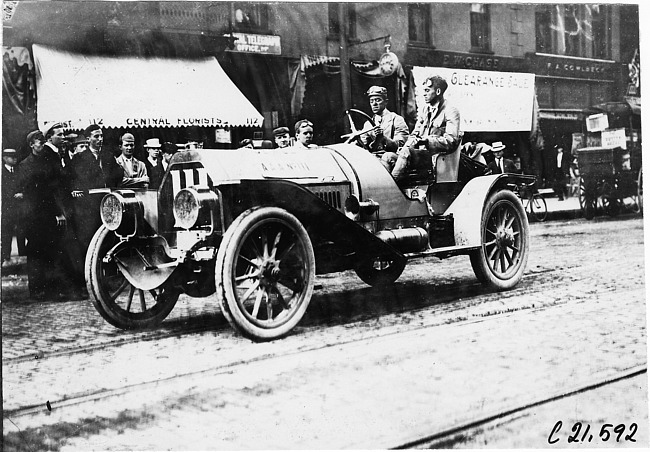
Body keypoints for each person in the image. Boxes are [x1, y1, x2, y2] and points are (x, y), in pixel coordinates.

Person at [14, 130, 69, 300]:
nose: (42, 144)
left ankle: (52, 289)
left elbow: (54, 189)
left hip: (49, 214)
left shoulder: (49, 162)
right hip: (32, 216)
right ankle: (37, 290)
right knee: (35, 252)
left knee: (52, 250)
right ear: (32, 145)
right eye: (39, 141)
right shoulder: (24, 165)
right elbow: (25, 191)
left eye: (43, 140)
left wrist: (59, 213)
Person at [386, 75, 461, 181]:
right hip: (420, 155)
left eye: (427, 90)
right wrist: (405, 146)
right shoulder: (425, 110)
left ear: (438, 91)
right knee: (387, 156)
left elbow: (451, 141)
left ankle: (391, 188)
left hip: (436, 159)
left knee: (406, 153)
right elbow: (414, 134)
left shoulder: (450, 111)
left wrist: (427, 141)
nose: (424, 94)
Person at [69, 124, 123, 254]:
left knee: (108, 238)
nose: (100, 139)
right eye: (96, 136)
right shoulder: (79, 158)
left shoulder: (108, 156)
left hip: (107, 203)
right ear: (88, 139)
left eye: (101, 136)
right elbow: (71, 179)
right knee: (89, 239)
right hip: (88, 206)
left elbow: (117, 175)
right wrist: (75, 190)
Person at [360, 86, 409, 161]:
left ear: (386, 102)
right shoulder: (368, 124)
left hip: (391, 158)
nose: (374, 104)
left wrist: (383, 138)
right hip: (373, 158)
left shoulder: (396, 119)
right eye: (371, 101)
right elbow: (363, 145)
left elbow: (401, 145)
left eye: (378, 100)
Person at [1, 148, 25, 263]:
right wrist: (12, 196)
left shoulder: (18, 171)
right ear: (5, 158)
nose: (15, 159)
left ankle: (22, 252)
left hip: (19, 206)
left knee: (21, 229)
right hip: (7, 207)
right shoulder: (2, 173)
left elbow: (23, 185)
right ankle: (6, 255)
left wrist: (22, 194)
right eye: (12, 157)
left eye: (15, 156)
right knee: (7, 231)